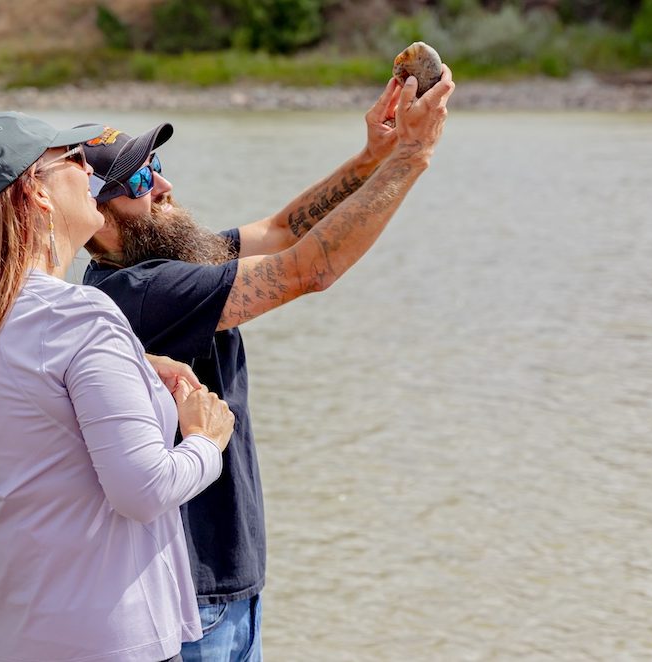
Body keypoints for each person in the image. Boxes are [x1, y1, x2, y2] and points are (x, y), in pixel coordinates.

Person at [81, 69, 456, 660]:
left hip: (226, 589)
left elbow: (282, 231)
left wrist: (372, 157)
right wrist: (413, 155)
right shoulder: (141, 293)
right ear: (97, 214)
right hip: (195, 601)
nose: (164, 184)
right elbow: (310, 268)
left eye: (157, 164)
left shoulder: (175, 261)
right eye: (140, 178)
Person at [0, 111, 236, 662]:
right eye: (74, 159)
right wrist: (206, 440)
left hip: (5, 635)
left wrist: (132, 361)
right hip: (108, 638)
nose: (90, 174)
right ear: (34, 194)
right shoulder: (78, 317)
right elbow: (144, 490)